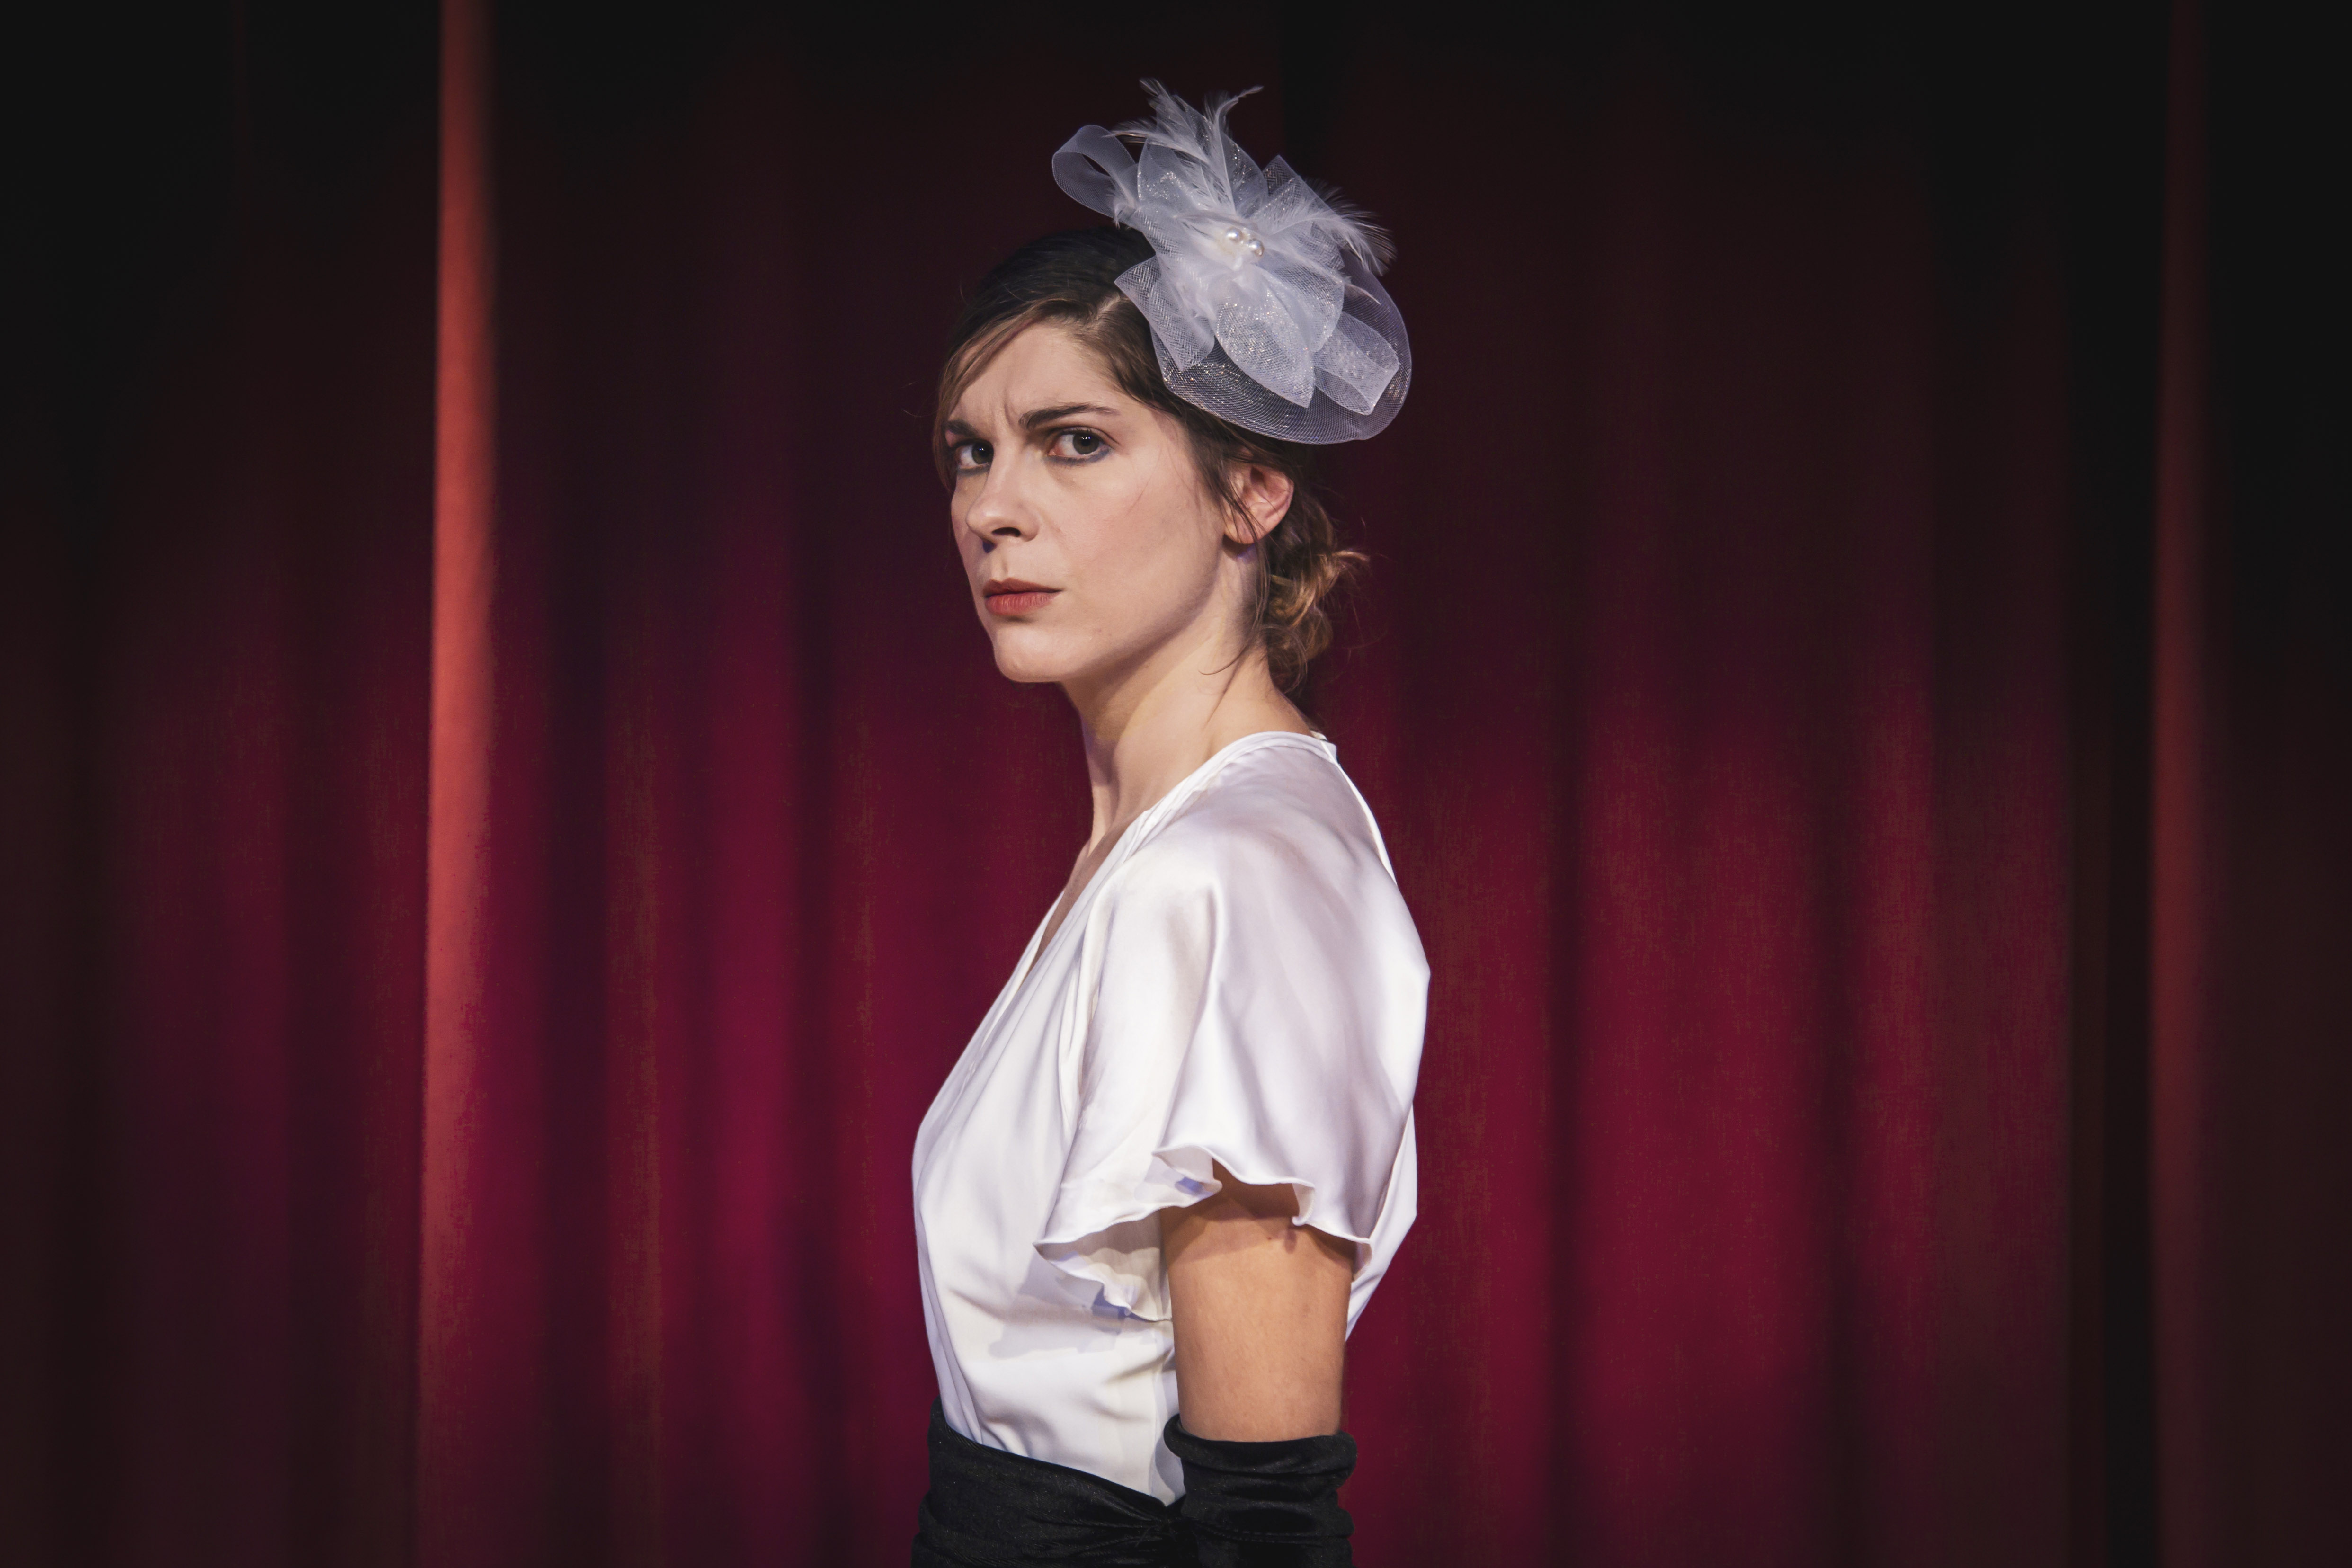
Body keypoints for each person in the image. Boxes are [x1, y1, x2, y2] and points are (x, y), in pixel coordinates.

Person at [910, 83, 1426, 1568]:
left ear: (1249, 489)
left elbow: (1266, 1517)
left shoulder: (1231, 874)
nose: (994, 509)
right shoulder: (1163, 847)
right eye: (969, 452)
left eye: (1074, 442)